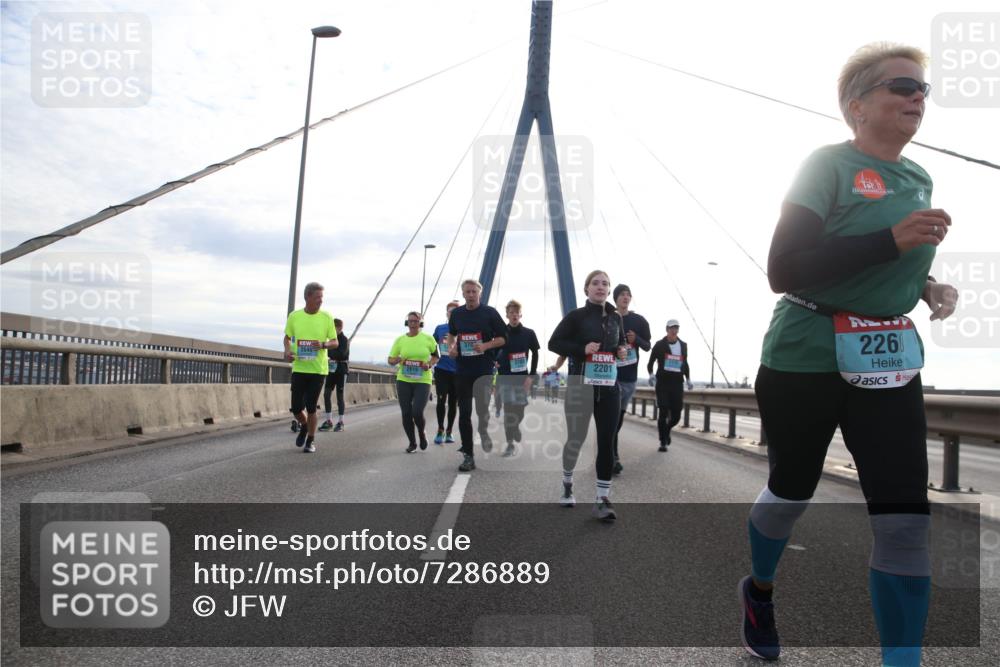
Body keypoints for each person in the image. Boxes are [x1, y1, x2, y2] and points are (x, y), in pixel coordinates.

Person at [738, 43, 958, 665]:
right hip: (806, 351)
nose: (918, 97)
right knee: (791, 493)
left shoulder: (917, 179)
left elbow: (899, 267)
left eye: (924, 90)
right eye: (902, 86)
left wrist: (928, 286)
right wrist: (889, 240)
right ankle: (759, 590)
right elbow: (785, 268)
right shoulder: (825, 166)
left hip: (887, 360)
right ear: (857, 106)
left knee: (905, 521)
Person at [548, 270, 627, 521]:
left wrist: (622, 350)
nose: (601, 287)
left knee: (606, 440)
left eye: (605, 283)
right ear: (586, 289)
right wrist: (581, 349)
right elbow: (554, 343)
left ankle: (602, 499)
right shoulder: (576, 317)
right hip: (580, 386)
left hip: (609, 388)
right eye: (596, 283)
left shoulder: (616, 318)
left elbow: (620, 343)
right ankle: (567, 483)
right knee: (576, 438)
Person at [447, 279, 507, 472]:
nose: (471, 295)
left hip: (483, 370)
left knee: (482, 412)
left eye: (474, 292)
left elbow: (503, 338)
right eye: (467, 292)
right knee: (464, 413)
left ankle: (483, 431)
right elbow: (451, 334)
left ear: (479, 294)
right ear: (463, 294)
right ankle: (468, 455)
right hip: (463, 369)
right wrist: (452, 347)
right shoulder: (457, 314)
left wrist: (486, 346)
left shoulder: (490, 313)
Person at [283, 282, 338, 454]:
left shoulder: (326, 317)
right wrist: (287, 351)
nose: (321, 301)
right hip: (299, 367)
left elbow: (335, 342)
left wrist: (322, 344)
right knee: (296, 407)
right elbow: (287, 337)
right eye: (317, 297)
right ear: (307, 297)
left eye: (322, 297)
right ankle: (304, 425)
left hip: (318, 369)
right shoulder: (295, 316)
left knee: (311, 406)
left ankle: (311, 441)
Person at [611, 284, 652, 474]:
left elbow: (647, 346)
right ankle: (613, 457)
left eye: (628, 295)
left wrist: (636, 339)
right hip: (610, 376)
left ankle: (608, 451)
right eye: (622, 295)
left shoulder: (639, 320)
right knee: (611, 418)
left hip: (629, 377)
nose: (625, 298)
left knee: (617, 419)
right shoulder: (608, 317)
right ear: (616, 298)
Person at [388, 311, 439, 453]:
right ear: (407, 323)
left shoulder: (428, 339)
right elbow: (390, 360)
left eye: (415, 321)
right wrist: (398, 359)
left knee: (417, 411)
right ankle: (412, 442)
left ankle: (422, 433)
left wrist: (428, 364)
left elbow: (436, 356)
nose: (413, 324)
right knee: (406, 413)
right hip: (404, 379)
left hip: (423, 380)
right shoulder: (400, 340)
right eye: (410, 321)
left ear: (421, 323)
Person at [495, 299, 540, 457]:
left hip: (522, 378)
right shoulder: (501, 333)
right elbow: (492, 350)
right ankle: (510, 444)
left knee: (519, 412)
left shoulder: (529, 333)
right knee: (509, 412)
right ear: (507, 315)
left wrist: (531, 376)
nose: (514, 315)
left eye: (516, 313)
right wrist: (494, 361)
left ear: (521, 315)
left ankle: (515, 428)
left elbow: (535, 353)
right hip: (505, 377)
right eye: (511, 313)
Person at [647, 319, 691, 452]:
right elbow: (650, 362)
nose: (674, 330)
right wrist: (651, 374)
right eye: (671, 328)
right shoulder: (659, 345)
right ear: (667, 329)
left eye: (676, 327)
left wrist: (688, 379)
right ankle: (663, 441)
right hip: (663, 383)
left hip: (677, 383)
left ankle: (666, 430)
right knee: (664, 410)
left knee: (676, 415)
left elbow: (685, 363)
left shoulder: (683, 345)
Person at [431, 301, 460, 445]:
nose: (453, 314)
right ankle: (440, 429)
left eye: (456, 311)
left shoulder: (465, 328)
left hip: (458, 371)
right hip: (442, 370)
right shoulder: (440, 328)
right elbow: (431, 346)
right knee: (441, 401)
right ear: (446, 313)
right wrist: (431, 361)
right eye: (450, 311)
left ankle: (449, 431)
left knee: (453, 403)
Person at [319, 318, 350, 432]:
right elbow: (327, 352)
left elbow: (341, 354)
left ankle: (340, 422)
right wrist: (329, 351)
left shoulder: (344, 340)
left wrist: (329, 351)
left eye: (334, 327)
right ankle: (328, 421)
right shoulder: (331, 340)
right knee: (326, 394)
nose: (331, 329)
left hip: (341, 370)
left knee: (339, 396)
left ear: (340, 327)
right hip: (331, 370)